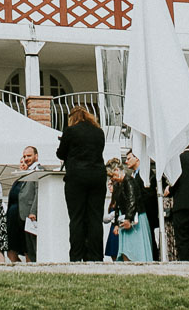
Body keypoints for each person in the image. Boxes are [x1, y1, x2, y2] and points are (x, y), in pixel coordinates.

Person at [56, 105, 107, 262]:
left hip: (77, 177)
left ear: (73, 117)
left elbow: (60, 153)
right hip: (98, 176)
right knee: (95, 218)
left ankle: (77, 256)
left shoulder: (71, 131)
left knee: (77, 217)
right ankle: (96, 256)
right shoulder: (99, 132)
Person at [108, 159, 153, 261]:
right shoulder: (118, 184)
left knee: (135, 250)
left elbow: (132, 201)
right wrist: (116, 223)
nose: (113, 179)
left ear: (117, 170)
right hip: (126, 218)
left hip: (134, 219)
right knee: (126, 249)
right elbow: (117, 205)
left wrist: (128, 219)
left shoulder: (129, 181)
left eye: (112, 176)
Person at [124, 151, 159, 260]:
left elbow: (148, 195)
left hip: (147, 213)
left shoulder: (145, 174)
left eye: (129, 158)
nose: (126, 161)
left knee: (149, 238)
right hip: (140, 213)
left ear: (137, 158)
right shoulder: (135, 175)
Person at [7, 146, 39, 262]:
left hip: (27, 215)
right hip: (16, 216)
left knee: (28, 248)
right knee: (13, 249)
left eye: (29, 156)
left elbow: (37, 192)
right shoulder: (25, 172)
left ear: (36, 156)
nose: (26, 159)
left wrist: (33, 211)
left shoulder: (38, 170)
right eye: (24, 156)